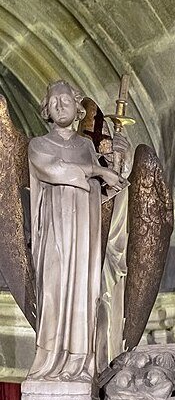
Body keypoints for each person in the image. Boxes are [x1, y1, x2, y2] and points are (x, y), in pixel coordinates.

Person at [27, 80, 126, 381]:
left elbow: (107, 192)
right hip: (54, 235)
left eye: (65, 99)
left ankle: (79, 365)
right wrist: (98, 170)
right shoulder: (38, 145)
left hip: (84, 237)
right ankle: (49, 364)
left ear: (78, 107)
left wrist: (119, 160)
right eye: (53, 100)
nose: (59, 104)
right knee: (54, 293)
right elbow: (55, 169)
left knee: (82, 295)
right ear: (46, 108)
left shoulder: (86, 147)